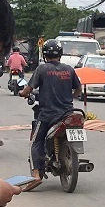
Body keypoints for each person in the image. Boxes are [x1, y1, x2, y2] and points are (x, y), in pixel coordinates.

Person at [19, 39, 82, 191]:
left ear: (45, 54)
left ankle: (36, 175)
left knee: (35, 142)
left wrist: (22, 93)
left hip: (47, 115)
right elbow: (78, 89)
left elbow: (28, 90)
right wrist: (69, 97)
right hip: (68, 113)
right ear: (60, 54)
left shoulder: (42, 69)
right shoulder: (69, 69)